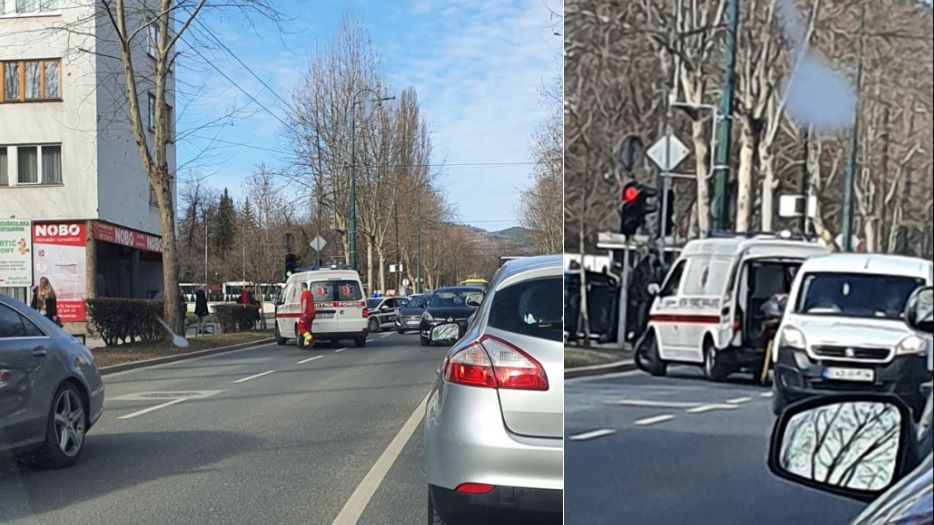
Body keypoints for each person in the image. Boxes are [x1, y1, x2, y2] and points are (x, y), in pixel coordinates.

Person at [297, 282, 316, 348]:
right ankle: (307, 344)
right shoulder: (310, 294)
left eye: (301, 287)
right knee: (307, 328)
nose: (300, 289)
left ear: (302, 287)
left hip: (307, 314)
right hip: (312, 314)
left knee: (300, 327)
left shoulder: (304, 294)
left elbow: (304, 302)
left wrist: (303, 313)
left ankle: (309, 337)